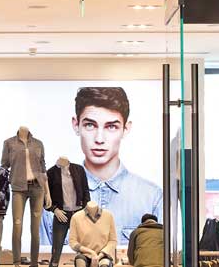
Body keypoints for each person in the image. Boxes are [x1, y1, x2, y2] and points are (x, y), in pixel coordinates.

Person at [42, 87, 162, 246]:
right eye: (90, 125)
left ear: (126, 129)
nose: (99, 139)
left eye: (111, 126)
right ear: (76, 125)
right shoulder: (51, 196)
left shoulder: (152, 198)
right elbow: (43, 257)